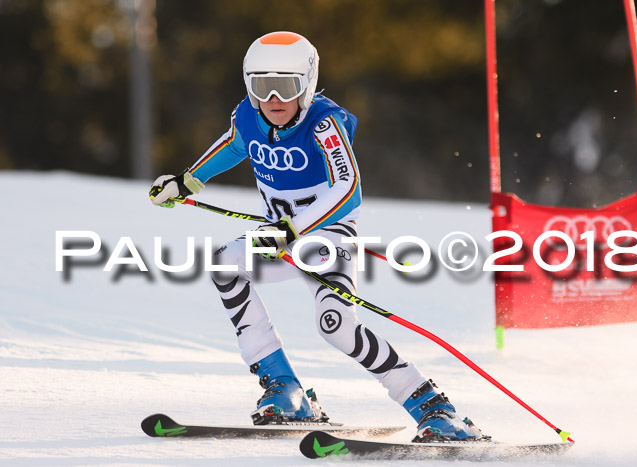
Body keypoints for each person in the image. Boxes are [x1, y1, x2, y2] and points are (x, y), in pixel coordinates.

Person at [149, 31, 484, 442]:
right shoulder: (248, 117)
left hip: (327, 238)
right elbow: (234, 145)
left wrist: (291, 228)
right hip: (279, 238)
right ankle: (286, 391)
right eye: (261, 86)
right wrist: (188, 180)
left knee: (337, 327)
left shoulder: (324, 123)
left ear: (307, 84)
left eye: (285, 86)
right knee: (224, 263)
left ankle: (435, 409)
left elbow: (348, 190)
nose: (273, 98)